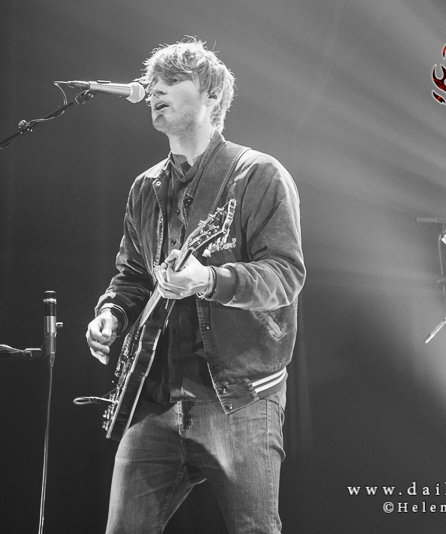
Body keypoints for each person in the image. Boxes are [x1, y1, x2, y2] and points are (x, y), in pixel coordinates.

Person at [85, 38, 305, 534]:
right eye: (153, 83)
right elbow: (132, 275)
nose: (155, 91)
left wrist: (209, 278)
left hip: (238, 399)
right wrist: (111, 314)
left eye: (172, 81)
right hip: (157, 397)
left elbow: (285, 275)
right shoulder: (145, 187)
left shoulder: (257, 175)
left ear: (212, 96)